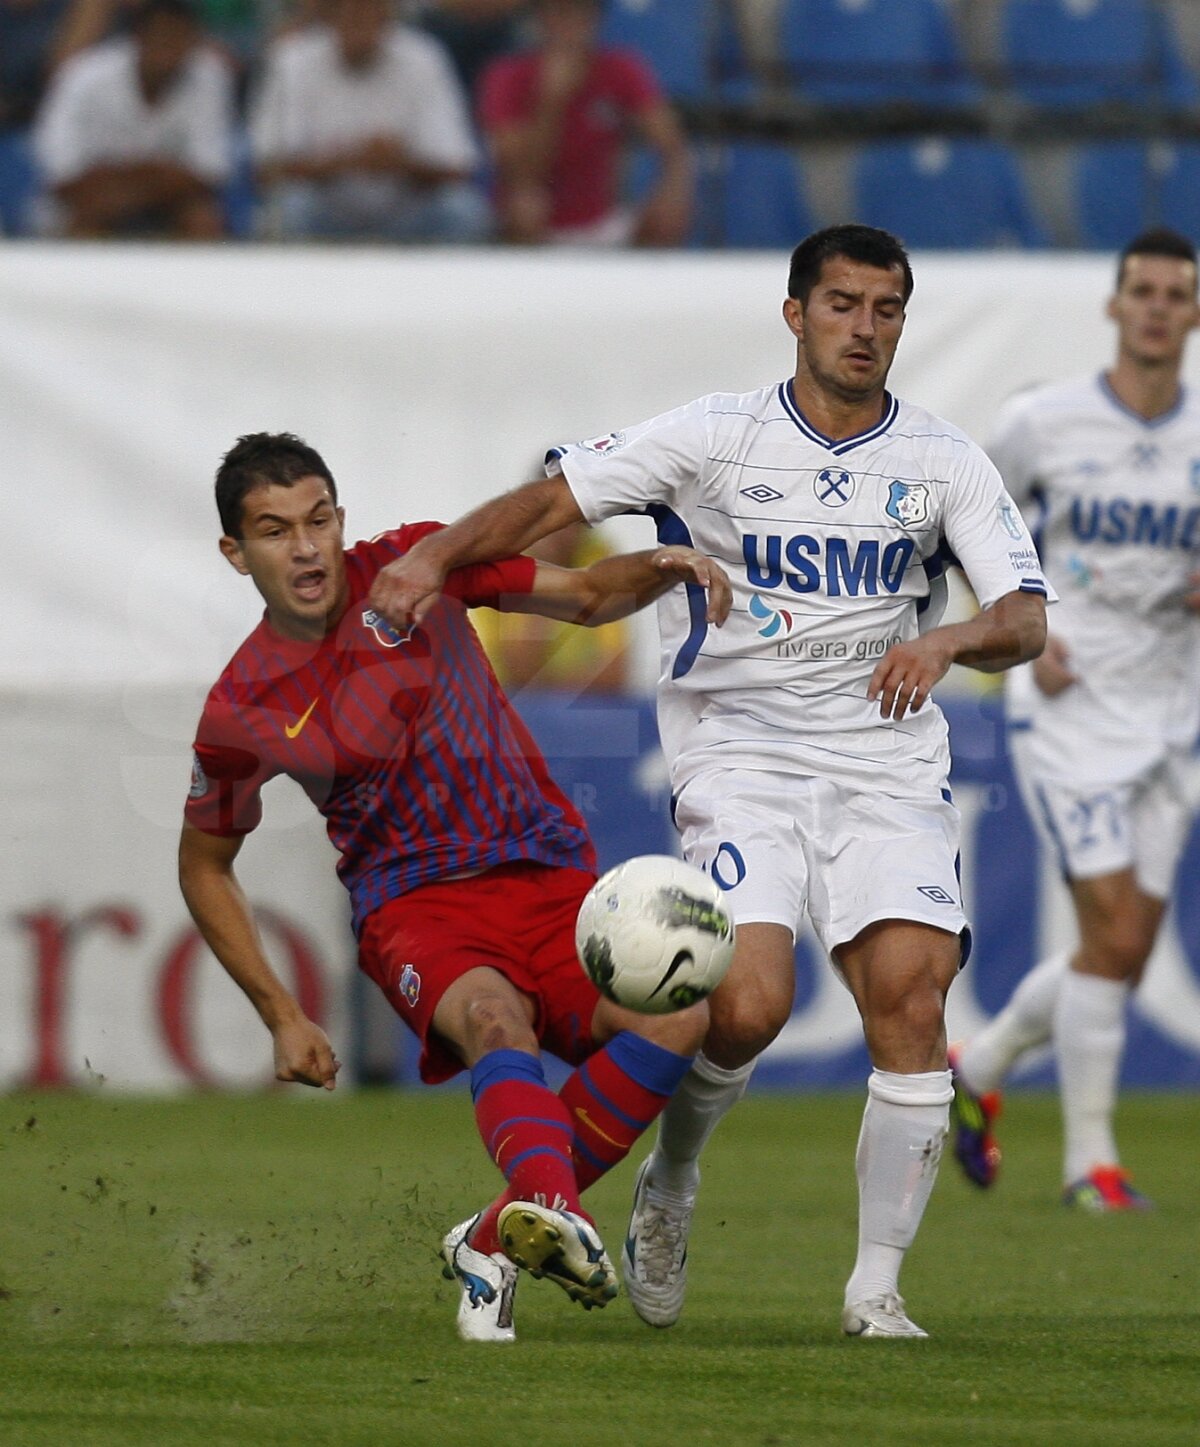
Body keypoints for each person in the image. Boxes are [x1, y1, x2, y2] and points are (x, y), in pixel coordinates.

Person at [363, 223, 1053, 1338]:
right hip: (742, 750)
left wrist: (949, 642)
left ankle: (876, 1290)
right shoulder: (715, 436)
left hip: (885, 758)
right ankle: (670, 1184)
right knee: (745, 1003)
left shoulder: (942, 459)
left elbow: (1023, 615)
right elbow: (554, 503)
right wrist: (434, 559)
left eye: (885, 308)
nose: (864, 328)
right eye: (842, 304)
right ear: (796, 314)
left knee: (913, 1001)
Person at [177, 431, 732, 1344]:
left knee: (679, 1019)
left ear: (341, 518)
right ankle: (549, 1212)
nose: (307, 546)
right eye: (275, 531)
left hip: (547, 873)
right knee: (493, 1024)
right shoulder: (246, 705)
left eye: (319, 518)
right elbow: (204, 864)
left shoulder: (416, 563)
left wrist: (673, 561)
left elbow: (589, 597)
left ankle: (494, 1238)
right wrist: (280, 1011)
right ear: (236, 553)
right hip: (416, 906)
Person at [948, 228, 1200, 1212]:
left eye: (1175, 294)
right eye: (1142, 289)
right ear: (1114, 304)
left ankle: (984, 1065)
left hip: (1172, 717)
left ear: (1192, 314)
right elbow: (965, 515)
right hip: (1064, 704)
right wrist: (1024, 626)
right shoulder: (1042, 421)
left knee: (1126, 947)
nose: (1156, 307)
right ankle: (1089, 1163)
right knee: (1110, 925)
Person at [249, 0, 490, 243]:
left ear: (388, 16)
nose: (359, 21)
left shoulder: (424, 57)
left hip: (406, 216)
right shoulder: (292, 59)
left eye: (369, 10)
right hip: (325, 215)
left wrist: (398, 161)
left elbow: (457, 168)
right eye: (350, 11)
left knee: (462, 210)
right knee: (290, 209)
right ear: (328, 16)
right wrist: (347, 160)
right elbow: (266, 169)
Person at [477, 0, 691, 247]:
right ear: (539, 19)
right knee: (526, 206)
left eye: (583, 14)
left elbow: (671, 145)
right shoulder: (506, 76)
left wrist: (672, 191)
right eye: (561, 13)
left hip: (602, 219)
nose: (571, 26)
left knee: (667, 214)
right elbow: (517, 171)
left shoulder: (621, 68)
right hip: (534, 222)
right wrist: (552, 102)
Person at [31, 0, 233, 238]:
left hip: (169, 203)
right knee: (86, 213)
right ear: (137, 38)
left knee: (203, 220)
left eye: (179, 39)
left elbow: (209, 173)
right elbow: (60, 172)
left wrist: (129, 187)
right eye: (161, 38)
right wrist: (153, 176)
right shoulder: (84, 75)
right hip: (93, 198)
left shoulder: (209, 76)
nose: (169, 49)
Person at [473, 520, 631, 693]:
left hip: (575, 705)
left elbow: (615, 673)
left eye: (573, 522)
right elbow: (521, 671)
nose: (561, 533)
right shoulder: (500, 562)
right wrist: (545, 579)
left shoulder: (597, 556)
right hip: (507, 701)